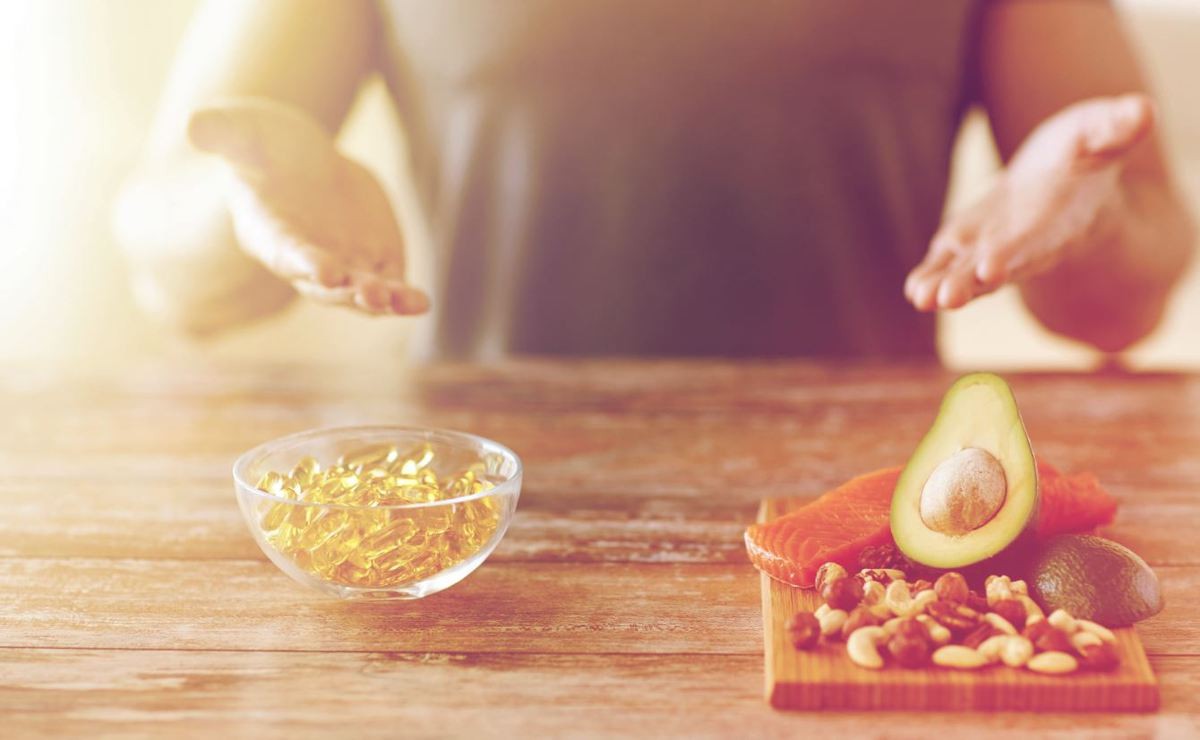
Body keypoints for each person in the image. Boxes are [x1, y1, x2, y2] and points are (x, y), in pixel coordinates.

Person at [114, 0, 1194, 359]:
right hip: (485, 531)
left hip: (874, 529)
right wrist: (245, 207)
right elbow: (173, 276)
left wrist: (1088, 216)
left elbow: (1121, 308)